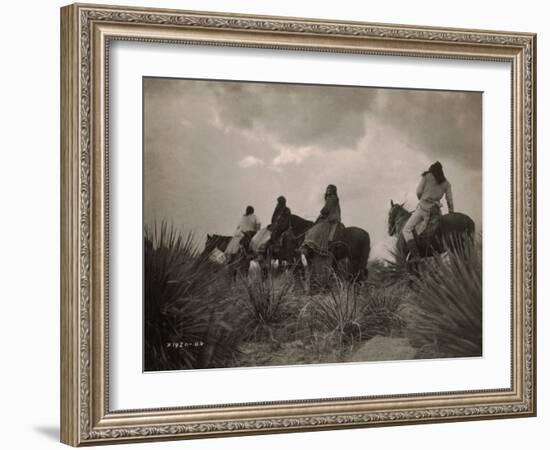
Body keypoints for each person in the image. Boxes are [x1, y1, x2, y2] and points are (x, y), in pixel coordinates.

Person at [402, 161, 454, 259]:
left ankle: (415, 255)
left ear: (431, 170)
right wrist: (451, 212)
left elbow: (418, 192)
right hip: (435, 210)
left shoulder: (426, 176)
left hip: (423, 208)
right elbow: (449, 199)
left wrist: (422, 198)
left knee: (407, 229)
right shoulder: (446, 183)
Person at [302, 184, 342, 255]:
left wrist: (321, 214)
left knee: (319, 227)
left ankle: (318, 246)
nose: (328, 191)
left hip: (332, 217)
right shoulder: (332, 198)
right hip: (332, 216)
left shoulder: (332, 197)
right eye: (327, 189)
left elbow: (327, 208)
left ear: (333, 191)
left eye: (329, 189)